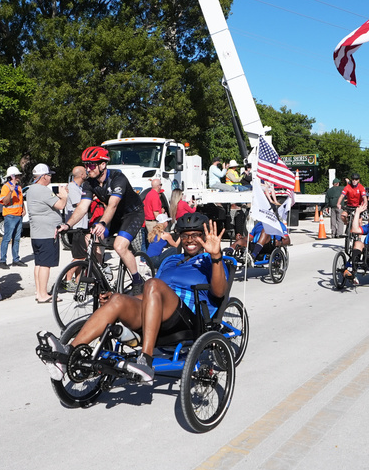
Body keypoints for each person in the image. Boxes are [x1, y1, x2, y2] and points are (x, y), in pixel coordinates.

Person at [38, 212, 228, 384]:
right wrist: (120, 299)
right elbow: (151, 295)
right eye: (185, 236)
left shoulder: (211, 261)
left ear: (204, 237)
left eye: (195, 235)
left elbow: (219, 293)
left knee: (152, 283)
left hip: (187, 319)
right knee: (118, 299)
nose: (190, 240)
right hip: (156, 314)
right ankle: (67, 355)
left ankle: (145, 360)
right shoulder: (171, 260)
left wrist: (216, 256)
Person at [58, 146, 149, 294]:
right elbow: (82, 207)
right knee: (90, 238)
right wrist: (67, 224)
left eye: (92, 165)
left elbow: (112, 205)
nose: (88, 169)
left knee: (120, 247)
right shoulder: (89, 183)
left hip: (132, 214)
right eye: (86, 165)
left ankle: (137, 280)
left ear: (103, 164)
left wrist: (102, 223)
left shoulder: (118, 178)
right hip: (113, 215)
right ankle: (101, 278)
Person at [27, 163, 68, 303]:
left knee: (39, 263)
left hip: (37, 233)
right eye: (49, 175)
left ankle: (39, 292)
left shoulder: (32, 189)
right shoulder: (43, 190)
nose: (50, 178)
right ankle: (44, 294)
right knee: (45, 265)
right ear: (43, 176)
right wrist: (64, 196)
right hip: (47, 233)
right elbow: (61, 205)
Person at [0, 167, 26, 270]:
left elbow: (21, 200)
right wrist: (10, 191)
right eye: (17, 175)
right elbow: (4, 201)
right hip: (10, 216)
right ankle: (2, 261)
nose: (19, 177)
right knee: (6, 239)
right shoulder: (6, 187)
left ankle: (16, 260)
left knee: (17, 239)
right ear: (13, 176)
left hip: (18, 215)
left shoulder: (18, 187)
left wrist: (24, 209)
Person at [62, 166, 89, 265]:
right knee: (80, 257)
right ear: (82, 175)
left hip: (81, 227)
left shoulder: (79, 187)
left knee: (82, 256)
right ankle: (67, 278)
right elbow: (80, 204)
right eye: (86, 172)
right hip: (75, 228)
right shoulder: (72, 187)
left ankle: (78, 279)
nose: (87, 173)